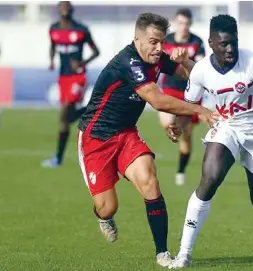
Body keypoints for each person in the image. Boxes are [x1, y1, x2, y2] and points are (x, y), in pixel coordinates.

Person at [77, 13, 217, 267]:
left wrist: (187, 61)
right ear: (137, 39)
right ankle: (103, 216)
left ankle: (162, 253)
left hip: (127, 133)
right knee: (108, 207)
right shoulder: (129, 63)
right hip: (96, 138)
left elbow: (196, 76)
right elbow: (158, 101)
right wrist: (199, 110)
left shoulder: (157, 57)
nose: (159, 48)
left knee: (150, 181)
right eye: (153, 42)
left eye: (162, 42)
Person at [167, 14, 253, 269]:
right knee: (209, 178)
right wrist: (177, 126)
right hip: (227, 128)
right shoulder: (201, 70)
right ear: (211, 42)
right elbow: (188, 106)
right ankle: (184, 254)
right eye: (224, 44)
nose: (230, 49)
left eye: (233, 42)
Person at [42, 1, 100, 168]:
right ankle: (58, 158)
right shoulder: (53, 29)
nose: (64, 10)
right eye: (62, 7)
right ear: (58, 10)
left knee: (65, 111)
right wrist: (52, 60)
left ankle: (91, 109)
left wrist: (82, 62)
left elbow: (96, 51)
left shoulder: (81, 30)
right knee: (65, 120)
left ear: (72, 10)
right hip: (63, 78)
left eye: (67, 7)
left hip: (78, 77)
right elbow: (52, 46)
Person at [159, 8, 206, 186]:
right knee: (167, 122)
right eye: (180, 23)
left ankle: (180, 171)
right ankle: (172, 130)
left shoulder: (196, 43)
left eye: (186, 24)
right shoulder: (166, 41)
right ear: (175, 23)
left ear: (190, 24)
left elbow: (201, 65)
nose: (183, 27)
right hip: (170, 89)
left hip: (191, 94)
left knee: (186, 135)